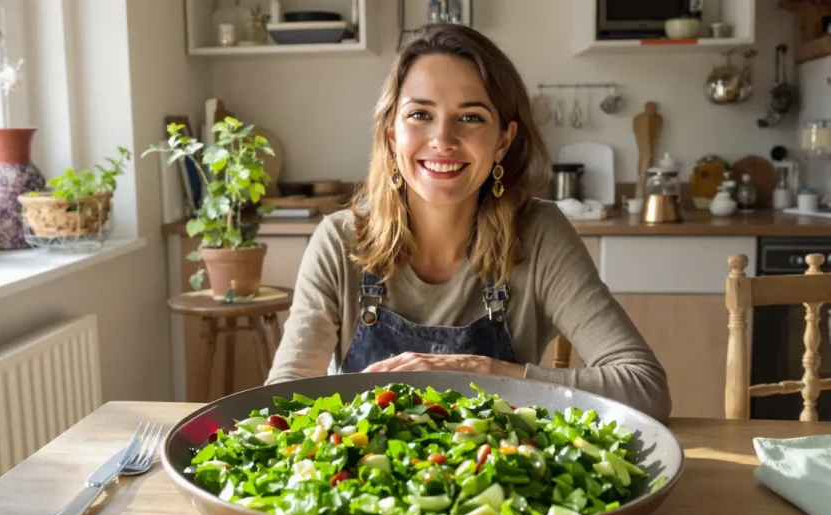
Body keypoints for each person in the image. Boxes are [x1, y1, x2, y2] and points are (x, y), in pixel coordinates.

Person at [264, 24, 671, 423]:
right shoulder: (339, 240)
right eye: (420, 113)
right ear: (391, 134)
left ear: (503, 141)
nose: (442, 138)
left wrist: (490, 373)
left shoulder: (541, 233)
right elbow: (282, 403)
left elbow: (644, 387)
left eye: (471, 117)